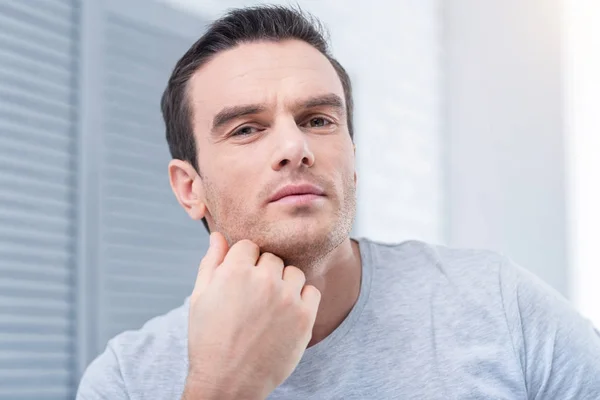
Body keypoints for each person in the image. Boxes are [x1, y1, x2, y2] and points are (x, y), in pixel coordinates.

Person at [76, 5, 600, 400]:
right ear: (190, 188)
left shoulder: (503, 307)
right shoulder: (126, 379)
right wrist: (220, 386)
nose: (294, 148)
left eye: (318, 120)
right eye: (246, 128)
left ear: (352, 154)